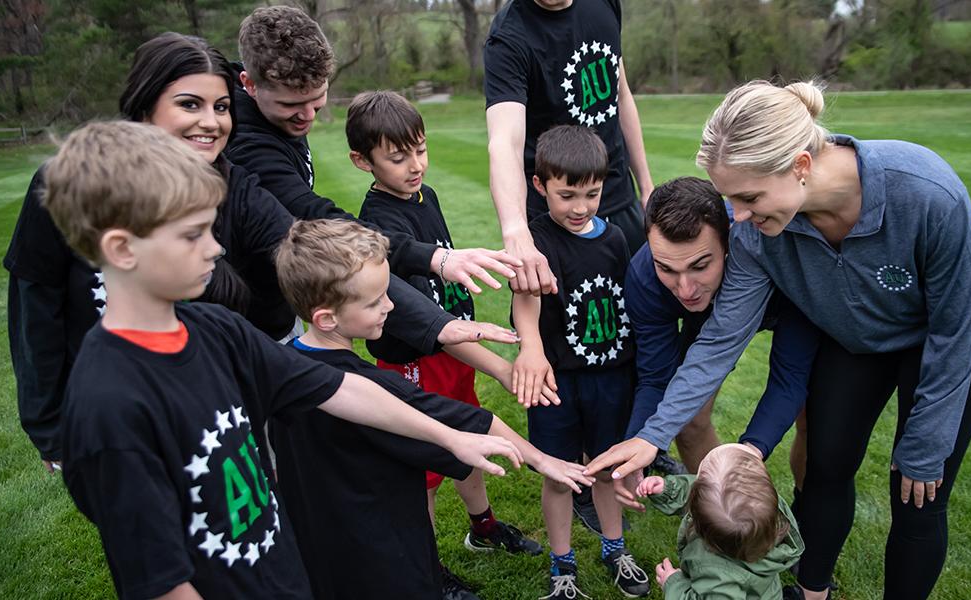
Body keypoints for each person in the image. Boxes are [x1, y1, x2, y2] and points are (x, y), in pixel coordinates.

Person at [45, 121, 523, 599]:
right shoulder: (108, 406)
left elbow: (336, 386)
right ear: (122, 249)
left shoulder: (215, 329)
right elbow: (163, 584)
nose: (216, 247)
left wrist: (449, 437)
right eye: (193, 234)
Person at [3, 32, 511, 474]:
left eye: (221, 107)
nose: (211, 122)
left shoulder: (233, 185)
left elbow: (326, 253)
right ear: (144, 104)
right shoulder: (69, 183)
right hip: (129, 402)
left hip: (231, 386)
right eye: (189, 104)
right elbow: (36, 304)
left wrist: (436, 323)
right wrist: (48, 424)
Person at [585, 80, 971, 600]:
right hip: (858, 340)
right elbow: (720, 341)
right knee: (828, 463)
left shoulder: (926, 193)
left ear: (801, 167)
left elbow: (954, 332)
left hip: (957, 333)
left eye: (748, 197)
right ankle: (813, 592)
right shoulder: (754, 233)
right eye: (730, 199)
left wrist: (926, 442)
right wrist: (651, 437)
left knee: (919, 491)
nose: (737, 217)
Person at [268, 218, 592, 600]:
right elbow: (470, 420)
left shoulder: (281, 368)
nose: (391, 305)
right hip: (385, 559)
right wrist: (542, 460)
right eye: (375, 301)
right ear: (327, 317)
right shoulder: (371, 390)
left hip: (313, 553)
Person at [349, 91, 544, 561]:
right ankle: (427, 568)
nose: (415, 164)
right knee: (426, 467)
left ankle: (483, 526)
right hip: (415, 363)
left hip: (454, 355)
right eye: (398, 157)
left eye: (420, 149)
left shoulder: (425, 195)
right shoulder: (376, 219)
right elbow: (397, 257)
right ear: (362, 161)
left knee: (468, 438)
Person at [227, 5, 519, 297]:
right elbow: (314, 217)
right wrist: (433, 258)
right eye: (290, 105)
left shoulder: (275, 107)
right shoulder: (245, 144)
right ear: (249, 85)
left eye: (317, 100)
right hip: (253, 306)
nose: (308, 116)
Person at [511, 125, 650, 598]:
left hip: (611, 376)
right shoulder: (536, 239)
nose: (579, 207)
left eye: (591, 194)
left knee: (607, 468)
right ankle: (562, 566)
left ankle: (615, 549)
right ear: (539, 185)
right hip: (558, 381)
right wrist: (530, 345)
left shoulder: (614, 238)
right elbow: (525, 299)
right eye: (566, 194)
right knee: (561, 474)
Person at [626, 178, 818, 482]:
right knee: (689, 422)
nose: (685, 288)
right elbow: (656, 377)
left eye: (700, 265)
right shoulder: (644, 277)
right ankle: (717, 514)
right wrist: (635, 446)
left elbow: (789, 377)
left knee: (814, 423)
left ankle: (807, 509)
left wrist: (752, 448)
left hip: (789, 307)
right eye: (667, 268)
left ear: (729, 241)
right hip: (703, 325)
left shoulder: (771, 249)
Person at [484, 0, 654, 295]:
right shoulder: (509, 37)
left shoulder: (604, 5)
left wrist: (647, 186)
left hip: (619, 198)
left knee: (639, 317)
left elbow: (621, 95)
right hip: (554, 216)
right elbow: (505, 141)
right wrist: (516, 230)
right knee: (562, 328)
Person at [635, 443, 804, 599]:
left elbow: (707, 494)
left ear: (700, 520)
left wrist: (674, 583)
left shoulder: (718, 576)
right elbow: (710, 494)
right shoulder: (769, 514)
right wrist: (668, 489)